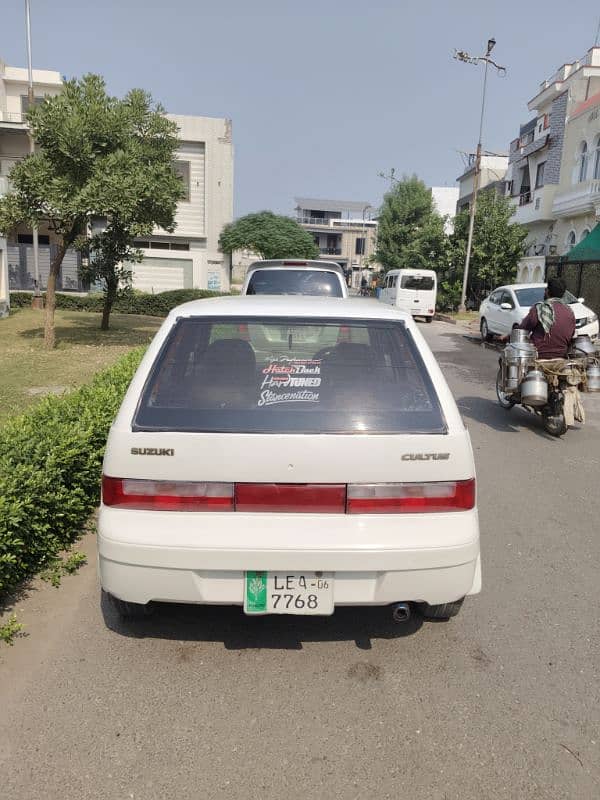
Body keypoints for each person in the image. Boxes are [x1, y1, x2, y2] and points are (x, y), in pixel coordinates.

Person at [502, 277, 575, 359]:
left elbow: (522, 329)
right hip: (561, 358)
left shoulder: (539, 308)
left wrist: (508, 336)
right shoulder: (570, 312)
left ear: (547, 291)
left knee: (505, 359)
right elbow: (571, 336)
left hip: (538, 357)